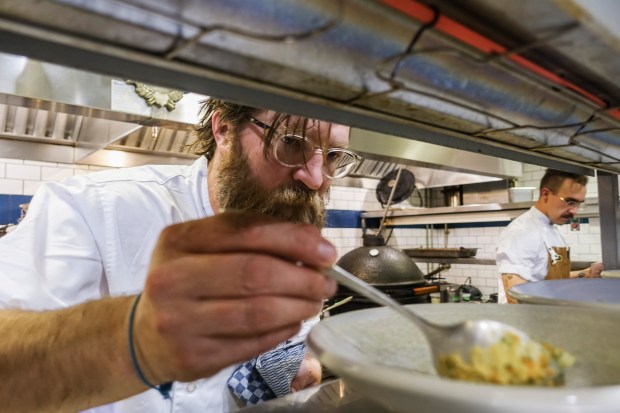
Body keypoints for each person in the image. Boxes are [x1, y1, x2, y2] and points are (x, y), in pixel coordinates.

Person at [0, 98, 363, 412]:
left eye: (332, 156)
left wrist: (297, 362)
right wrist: (136, 339)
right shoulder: (94, 208)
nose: (317, 178)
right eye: (291, 143)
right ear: (223, 129)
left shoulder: (286, 226)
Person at [496, 169, 603, 304]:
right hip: (529, 320)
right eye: (569, 202)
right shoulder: (521, 232)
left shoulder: (554, 230)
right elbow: (515, 295)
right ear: (545, 194)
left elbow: (544, 280)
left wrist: (587, 273)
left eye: (578, 204)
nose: (574, 211)